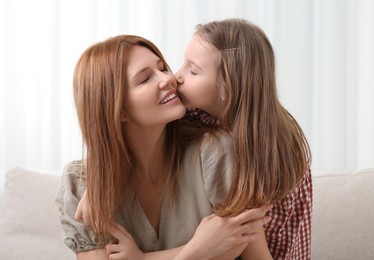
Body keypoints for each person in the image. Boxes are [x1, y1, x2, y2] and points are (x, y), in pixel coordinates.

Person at [55, 34, 272, 260]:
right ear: (117, 109)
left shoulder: (215, 151)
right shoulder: (80, 186)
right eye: (145, 79)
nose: (169, 78)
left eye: (161, 68)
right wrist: (196, 251)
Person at [175, 18, 313, 259]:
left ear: (227, 87)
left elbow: (241, 244)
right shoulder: (192, 114)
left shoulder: (275, 151)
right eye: (183, 64)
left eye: (193, 70)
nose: (177, 77)